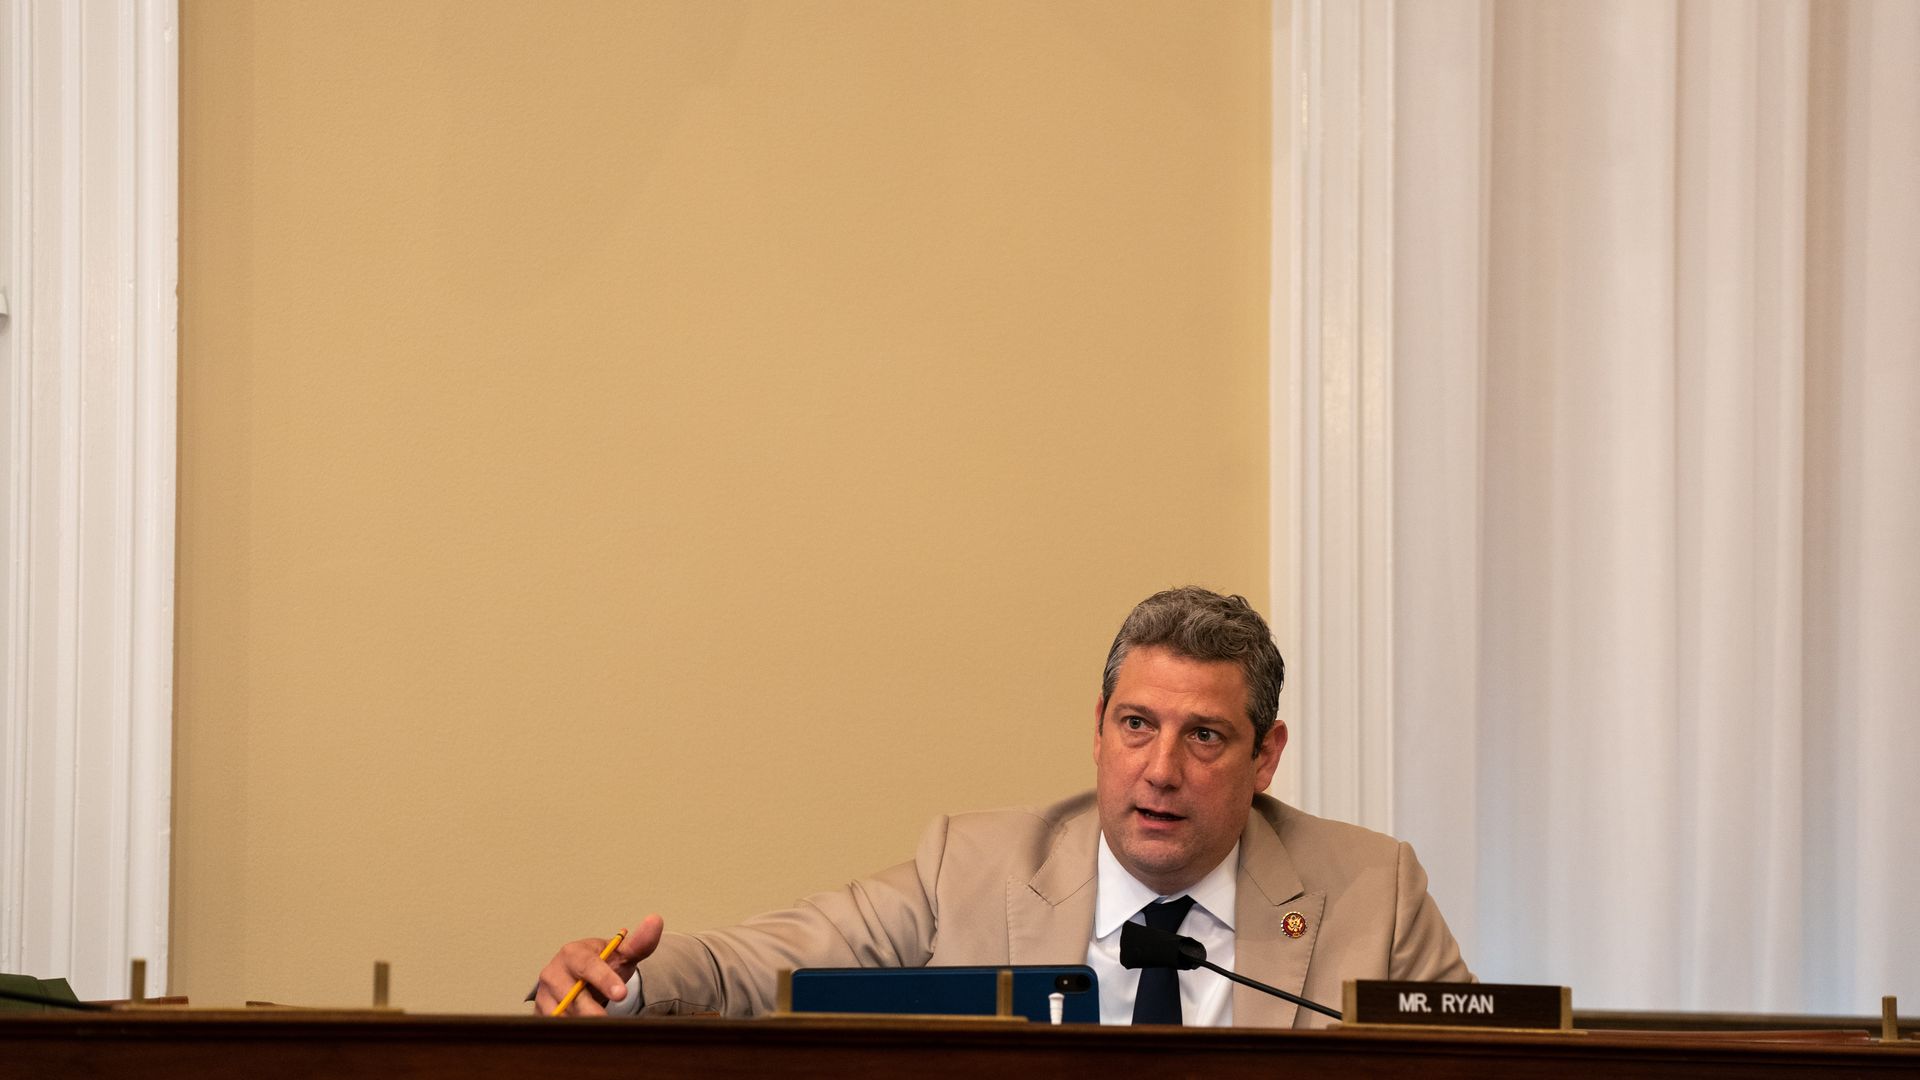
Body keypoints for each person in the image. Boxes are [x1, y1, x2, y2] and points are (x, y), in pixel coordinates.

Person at [532, 587, 1470, 1027]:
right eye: (1136, 726)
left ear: (1265, 756)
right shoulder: (975, 868)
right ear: (1097, 729)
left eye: (1205, 737)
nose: (1161, 770)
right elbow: (766, 961)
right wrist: (629, 981)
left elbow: (1489, 1064)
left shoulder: (1372, 893)